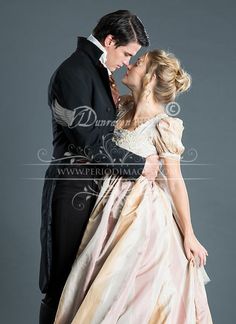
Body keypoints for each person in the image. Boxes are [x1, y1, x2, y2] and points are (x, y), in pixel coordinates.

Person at [53, 49, 213, 323]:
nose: (130, 64)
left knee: (132, 295)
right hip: (106, 211)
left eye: (138, 63)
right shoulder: (122, 107)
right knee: (96, 287)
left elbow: (175, 181)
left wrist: (189, 233)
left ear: (150, 78)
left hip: (142, 219)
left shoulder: (164, 125)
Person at [39, 10, 161, 324]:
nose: (127, 63)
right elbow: (87, 142)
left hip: (99, 192)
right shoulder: (74, 72)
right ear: (109, 41)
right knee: (61, 284)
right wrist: (139, 165)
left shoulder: (95, 71)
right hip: (73, 188)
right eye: (126, 53)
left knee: (88, 288)